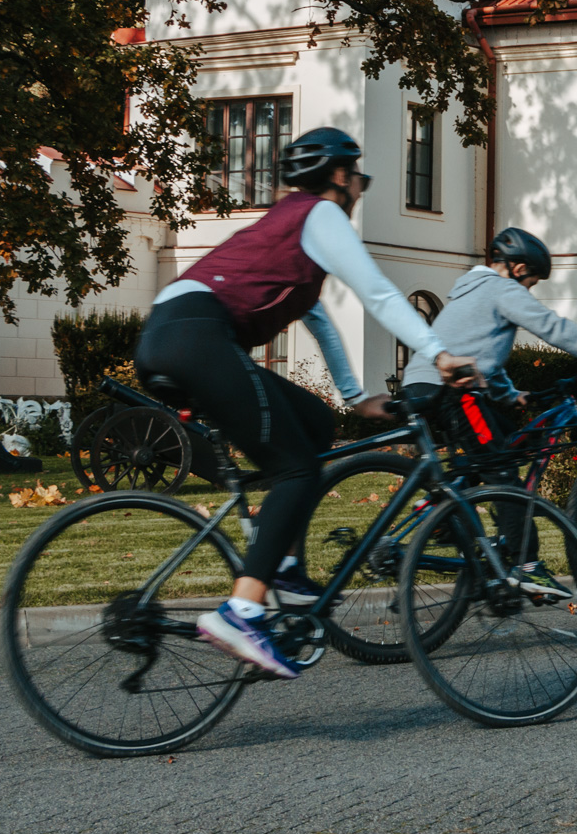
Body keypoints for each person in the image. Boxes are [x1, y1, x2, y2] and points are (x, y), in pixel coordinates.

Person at [134, 126, 471, 678]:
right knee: (294, 467)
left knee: (313, 425)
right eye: (359, 177)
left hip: (176, 334)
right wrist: (439, 352)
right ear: (340, 176)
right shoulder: (320, 214)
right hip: (195, 335)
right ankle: (242, 611)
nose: (361, 189)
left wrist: (356, 397)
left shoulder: (289, 230)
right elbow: (379, 292)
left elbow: (320, 322)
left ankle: (283, 565)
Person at [402, 228, 577, 428]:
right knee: (499, 468)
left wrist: (511, 395)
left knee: (508, 439)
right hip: (447, 389)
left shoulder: (472, 290)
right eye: (531, 285)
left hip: (422, 385)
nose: (527, 293)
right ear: (519, 269)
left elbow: (486, 357)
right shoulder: (503, 289)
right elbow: (552, 327)